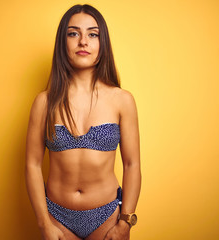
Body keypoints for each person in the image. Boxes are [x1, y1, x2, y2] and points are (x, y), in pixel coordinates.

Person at [25, 4, 141, 240]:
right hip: (57, 217)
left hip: (107, 217)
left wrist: (125, 222)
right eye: (73, 33)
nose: (83, 41)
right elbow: (32, 165)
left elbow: (132, 165)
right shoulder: (44, 102)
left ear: (102, 43)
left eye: (92, 34)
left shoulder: (122, 100)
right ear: (63, 42)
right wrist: (44, 223)